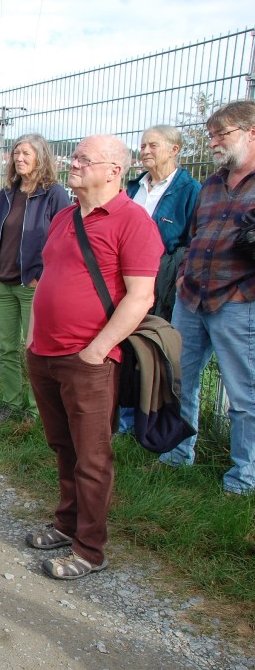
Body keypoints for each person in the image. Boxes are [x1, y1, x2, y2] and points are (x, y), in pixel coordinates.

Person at [25, 135, 162, 580]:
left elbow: (141, 296)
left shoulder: (133, 221)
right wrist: (32, 337)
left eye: (85, 159)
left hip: (89, 359)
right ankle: (67, 524)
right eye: (76, 156)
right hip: (45, 352)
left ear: (113, 170)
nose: (74, 163)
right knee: (63, 445)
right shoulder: (66, 215)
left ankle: (90, 549)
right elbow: (50, 276)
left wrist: (99, 349)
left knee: (92, 456)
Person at [159, 100, 255, 496]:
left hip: (238, 302)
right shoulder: (213, 183)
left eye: (221, 134)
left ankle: (243, 479)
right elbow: (194, 234)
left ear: (251, 133)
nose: (213, 141)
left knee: (244, 395)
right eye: (212, 134)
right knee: (180, 382)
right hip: (192, 298)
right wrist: (183, 275)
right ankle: (177, 455)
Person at [117, 124, 201, 434]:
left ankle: (148, 421)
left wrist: (177, 273)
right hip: (123, 278)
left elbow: (193, 238)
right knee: (123, 345)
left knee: (149, 350)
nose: (145, 151)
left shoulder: (190, 190)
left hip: (162, 281)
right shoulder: (134, 187)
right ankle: (122, 420)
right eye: (142, 145)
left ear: (174, 150)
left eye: (153, 145)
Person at [0, 134, 70, 427]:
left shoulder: (54, 194)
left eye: (26, 154)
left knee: (34, 350)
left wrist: (41, 276)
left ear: (40, 157)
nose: (19, 158)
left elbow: (63, 239)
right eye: (16, 153)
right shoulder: (8, 194)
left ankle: (35, 413)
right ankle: (10, 405)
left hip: (32, 285)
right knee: (6, 347)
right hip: (3, 282)